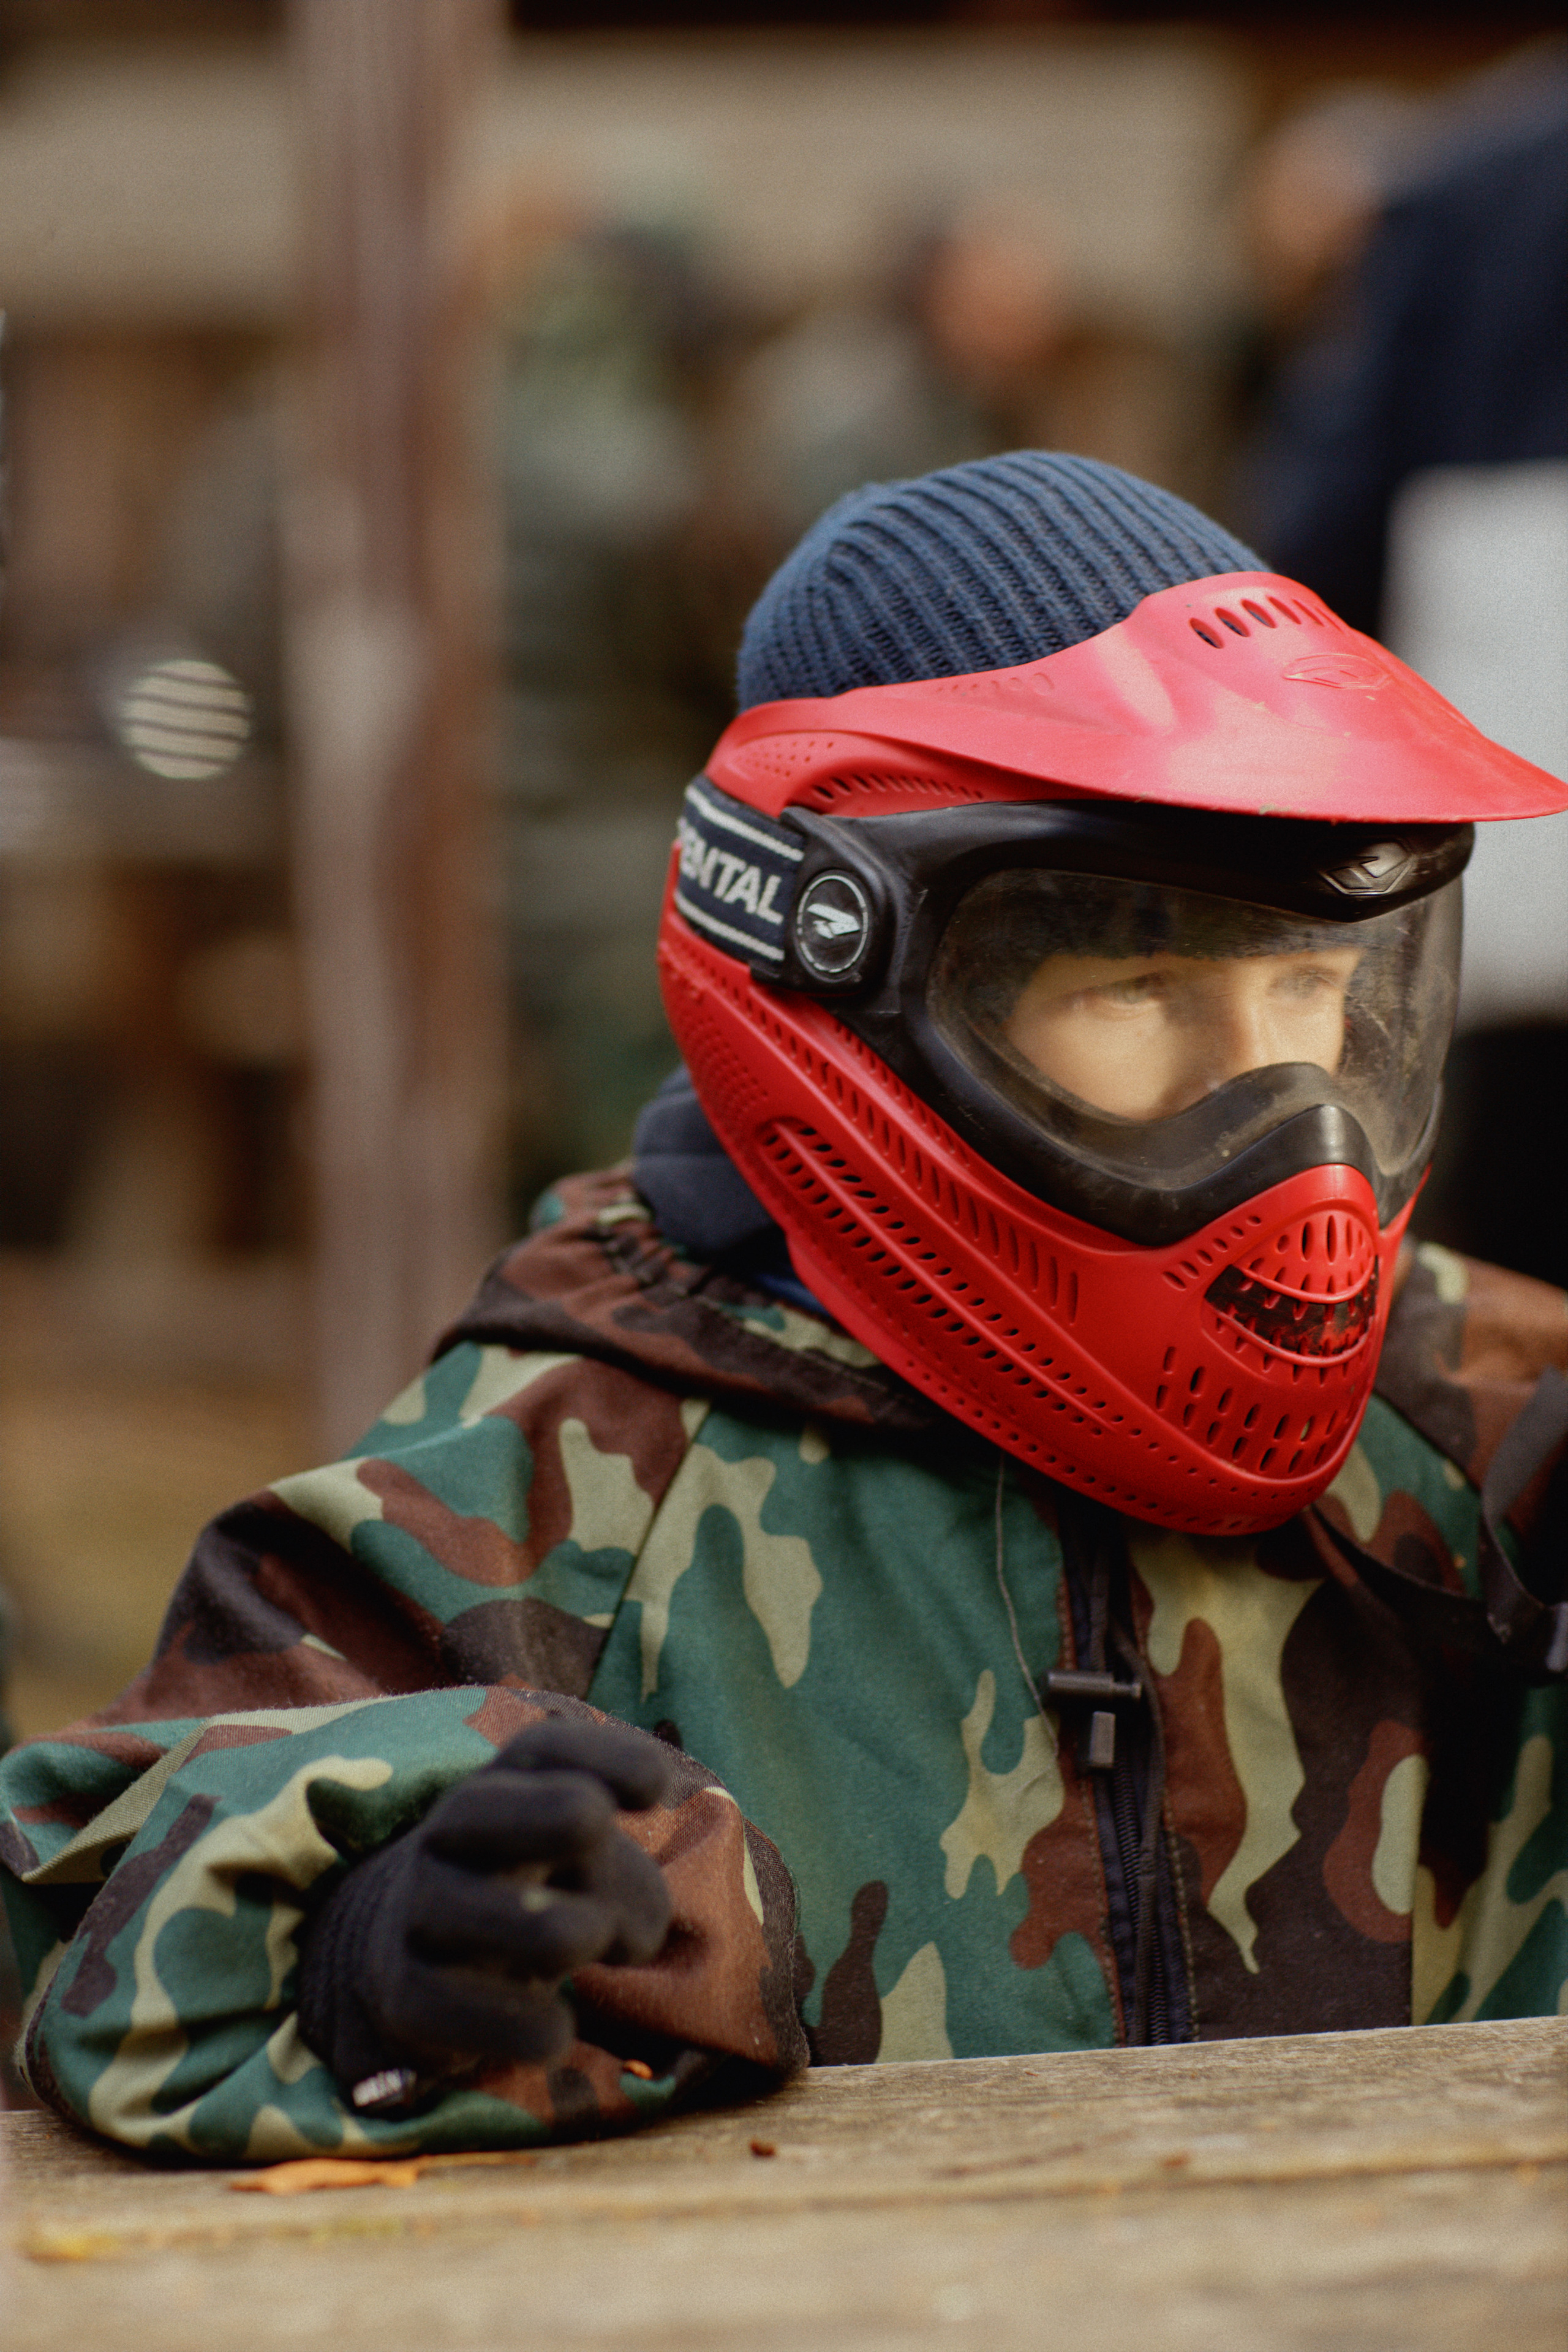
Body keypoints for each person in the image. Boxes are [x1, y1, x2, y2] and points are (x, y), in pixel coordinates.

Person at [2, 454, 1564, 2165]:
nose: (1276, 1108)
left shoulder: (1496, 1448)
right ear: (845, 966)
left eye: (1316, 993)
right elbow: (84, 1913)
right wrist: (355, 1948)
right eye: (1139, 991)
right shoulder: (549, 1505)